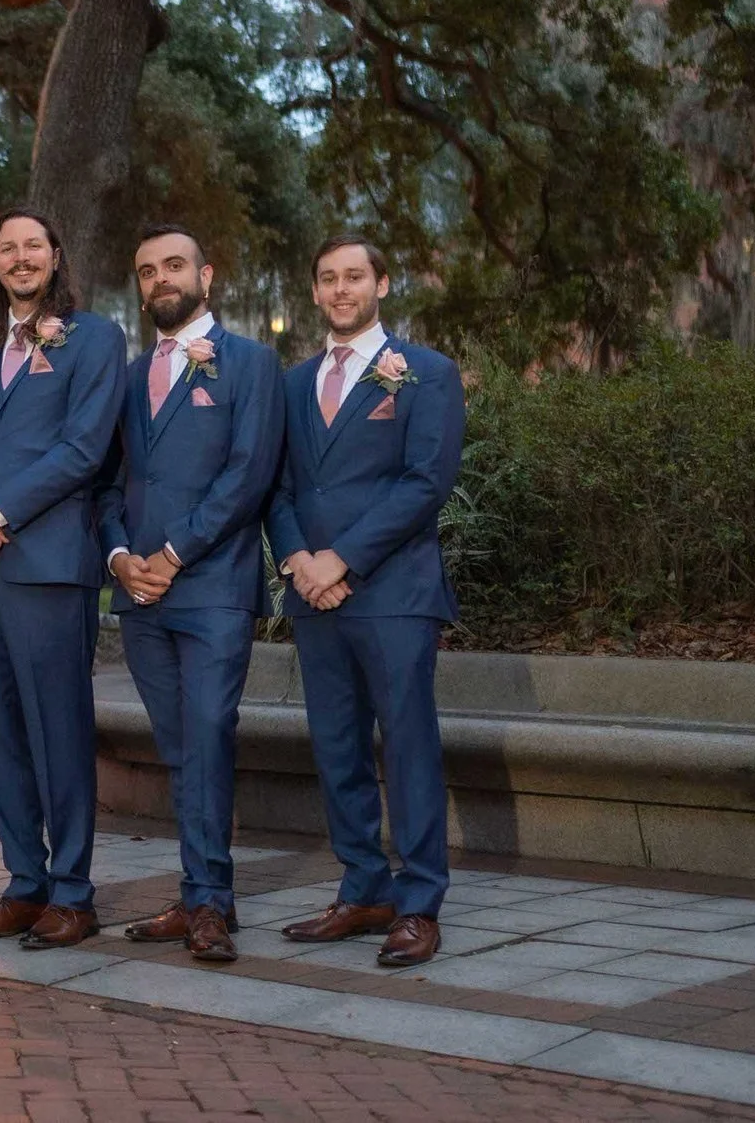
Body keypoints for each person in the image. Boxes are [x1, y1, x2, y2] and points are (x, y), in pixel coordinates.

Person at [267, 232, 466, 969]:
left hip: (393, 591)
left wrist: (343, 559)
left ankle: (418, 904)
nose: (342, 289)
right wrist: (299, 561)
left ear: (382, 283)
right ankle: (363, 887)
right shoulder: (290, 384)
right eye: (328, 278)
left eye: (355, 276)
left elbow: (425, 483)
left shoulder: (425, 372)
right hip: (312, 594)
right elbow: (278, 485)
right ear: (315, 291)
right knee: (337, 746)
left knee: (408, 744)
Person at [0, 209, 127, 952]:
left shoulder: (95, 339)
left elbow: (83, 450)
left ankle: (73, 892)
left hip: (47, 565)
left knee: (58, 731)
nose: (20, 257)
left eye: (32, 245)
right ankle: (23, 881)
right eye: (6, 247)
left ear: (55, 255)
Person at [99, 225, 283, 964]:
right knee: (180, 747)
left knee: (207, 733)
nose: (159, 280)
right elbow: (108, 482)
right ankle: (202, 892)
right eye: (146, 270)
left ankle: (207, 900)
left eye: (173, 265)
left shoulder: (251, 362)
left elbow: (249, 473)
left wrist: (174, 552)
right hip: (140, 596)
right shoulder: (131, 374)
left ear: (207, 274)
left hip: (211, 587)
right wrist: (119, 555)